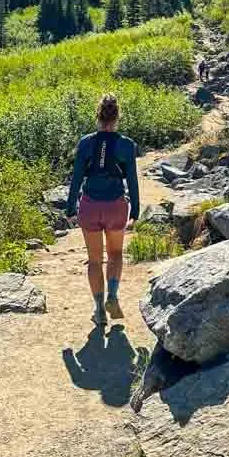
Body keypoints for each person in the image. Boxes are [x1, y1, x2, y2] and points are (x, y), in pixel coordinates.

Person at [65, 93, 139, 326]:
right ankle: (113, 296)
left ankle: (98, 310)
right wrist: (135, 211)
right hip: (116, 206)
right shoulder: (127, 145)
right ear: (117, 117)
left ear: (97, 116)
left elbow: (76, 179)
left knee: (94, 260)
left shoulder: (86, 143)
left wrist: (70, 209)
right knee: (115, 254)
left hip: (90, 207)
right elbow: (133, 181)